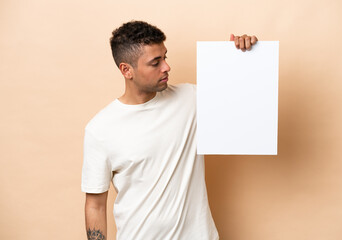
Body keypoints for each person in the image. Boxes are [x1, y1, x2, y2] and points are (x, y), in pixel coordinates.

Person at [82, 20, 258, 240]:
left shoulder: (191, 99)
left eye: (165, 57)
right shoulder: (100, 129)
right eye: (155, 62)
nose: (166, 67)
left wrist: (245, 56)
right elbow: (95, 206)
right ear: (126, 70)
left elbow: (249, 106)